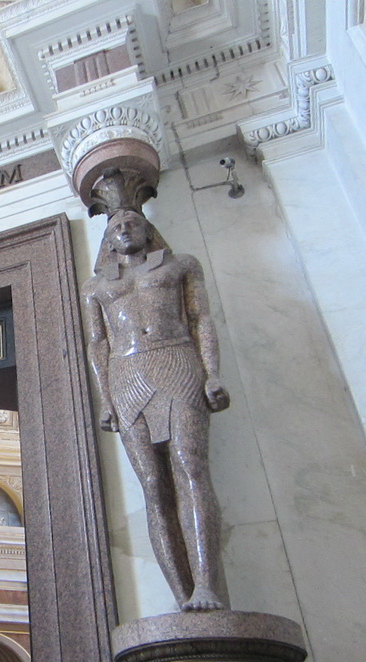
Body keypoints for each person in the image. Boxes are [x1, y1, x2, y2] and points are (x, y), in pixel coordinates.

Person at [81, 209, 229, 611]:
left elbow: (200, 319)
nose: (124, 229)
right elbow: (98, 343)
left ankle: (206, 585)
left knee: (190, 466)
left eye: (132, 222)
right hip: (126, 374)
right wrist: (105, 399)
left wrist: (213, 374)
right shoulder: (95, 287)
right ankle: (183, 597)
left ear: (149, 230)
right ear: (108, 240)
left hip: (176, 360)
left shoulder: (180, 266)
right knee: (152, 484)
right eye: (115, 226)